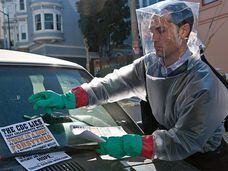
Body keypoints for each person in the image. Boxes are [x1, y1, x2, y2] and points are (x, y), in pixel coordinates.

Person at [29, 0, 228, 170]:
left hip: (205, 160)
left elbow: (185, 140)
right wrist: (71, 98)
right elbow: (113, 84)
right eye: (152, 31)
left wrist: (131, 145)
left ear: (183, 30)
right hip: (168, 157)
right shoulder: (151, 65)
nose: (153, 37)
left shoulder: (203, 81)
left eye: (161, 30)